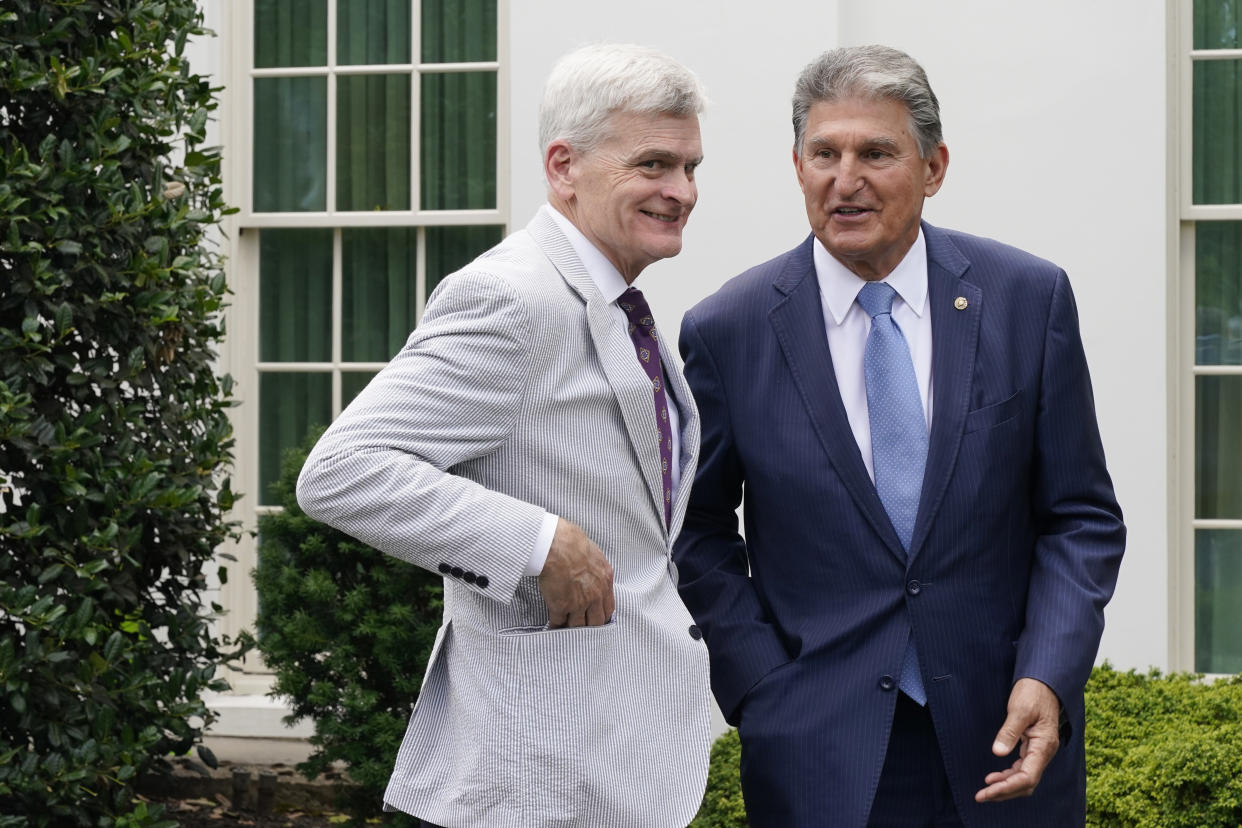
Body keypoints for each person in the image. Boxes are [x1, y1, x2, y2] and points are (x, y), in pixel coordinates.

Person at [674, 45, 1125, 827]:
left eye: (876, 152)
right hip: (819, 758)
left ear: (934, 166)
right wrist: (762, 690)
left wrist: (1048, 675)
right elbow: (698, 532)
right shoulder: (727, 330)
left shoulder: (1028, 298)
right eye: (824, 153)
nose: (845, 179)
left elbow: (1080, 518)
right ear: (798, 165)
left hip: (1004, 743)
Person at [297, 43, 712, 828]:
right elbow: (343, 470)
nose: (682, 191)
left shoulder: (614, 300)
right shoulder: (512, 297)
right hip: (534, 779)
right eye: (654, 164)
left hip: (612, 763)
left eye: (691, 167)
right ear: (564, 166)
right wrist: (536, 542)